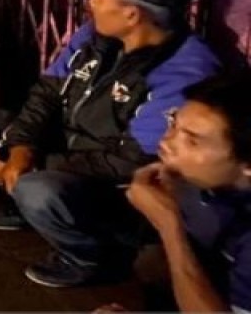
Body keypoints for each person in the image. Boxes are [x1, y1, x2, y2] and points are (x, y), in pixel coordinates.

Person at [0, 0, 221, 288]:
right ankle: (24, 197)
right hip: (61, 148)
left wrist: (36, 163)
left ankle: (88, 256)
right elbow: (47, 92)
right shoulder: (96, 35)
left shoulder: (185, 72)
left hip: (116, 188)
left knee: (38, 189)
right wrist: (20, 148)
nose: (90, 1)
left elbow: (133, 162)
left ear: (132, 14)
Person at [99, 73, 251, 313]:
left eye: (192, 141)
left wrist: (170, 227)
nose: (167, 141)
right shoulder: (202, 185)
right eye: (173, 123)